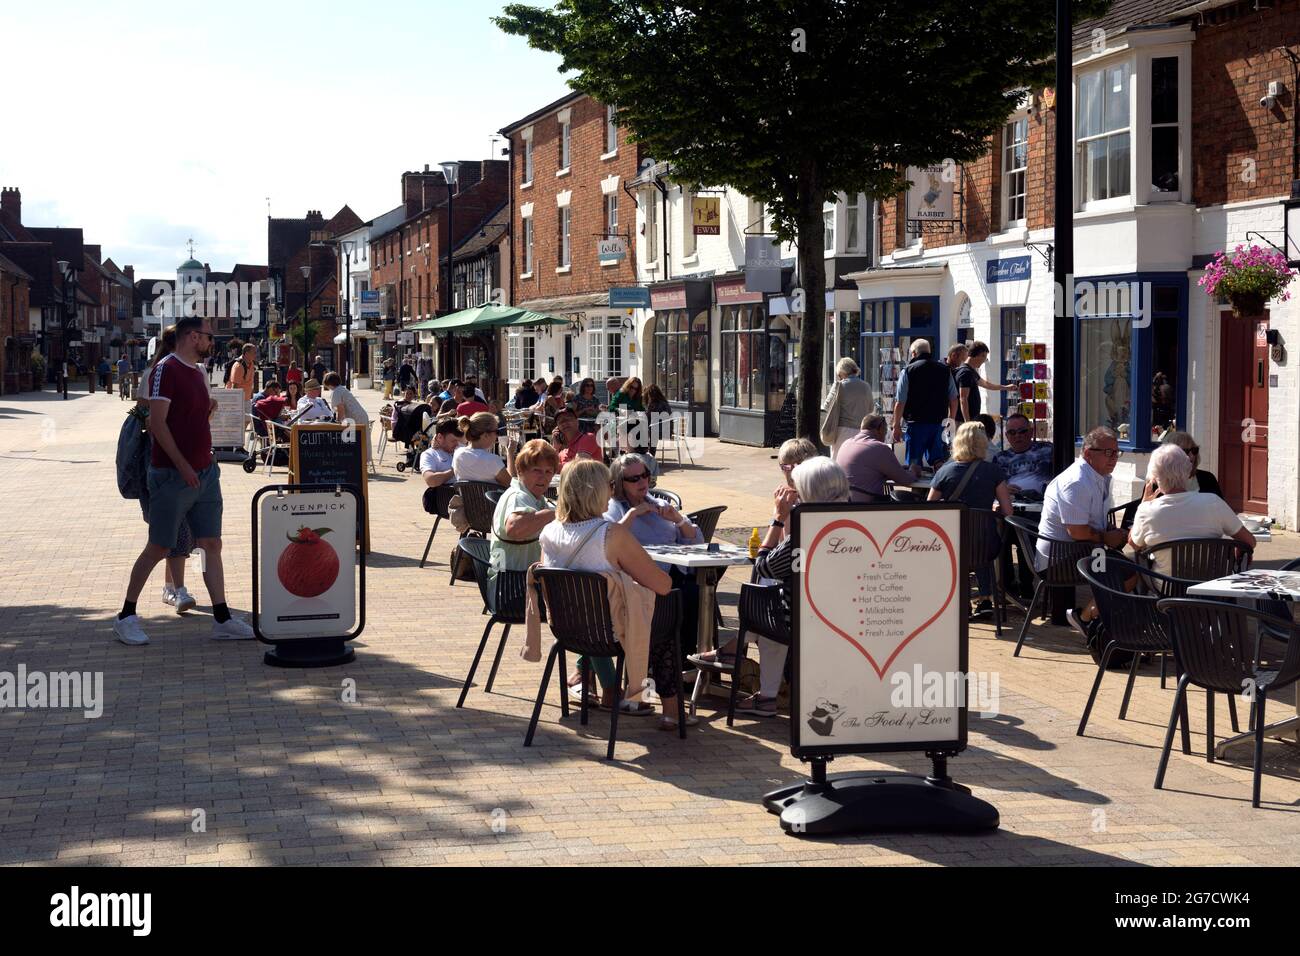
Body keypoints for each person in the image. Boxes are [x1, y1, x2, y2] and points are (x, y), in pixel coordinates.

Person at [113, 315, 254, 646]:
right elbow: (158, 424)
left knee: (211, 544)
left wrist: (207, 410)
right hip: (172, 475)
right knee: (159, 546)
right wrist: (182, 465)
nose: (211, 342)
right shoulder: (166, 368)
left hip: (205, 471)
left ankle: (222, 619)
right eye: (207, 336)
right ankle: (126, 616)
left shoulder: (198, 371)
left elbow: (186, 419)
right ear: (192, 337)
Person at [538, 459, 688, 727]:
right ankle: (673, 712)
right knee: (666, 606)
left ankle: (606, 687)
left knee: (621, 607)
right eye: (608, 484)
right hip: (612, 633)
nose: (612, 489)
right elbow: (662, 584)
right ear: (595, 490)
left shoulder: (548, 532)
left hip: (567, 630)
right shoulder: (611, 534)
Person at [132, 325, 195, 614]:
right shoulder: (157, 375)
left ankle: (172, 588)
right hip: (162, 463)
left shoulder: (186, 371)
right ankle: (174, 590)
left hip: (181, 461)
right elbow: (151, 423)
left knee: (180, 530)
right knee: (172, 531)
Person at [927, 421, 1013, 617]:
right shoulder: (993, 471)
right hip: (987, 545)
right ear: (982, 443)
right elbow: (1008, 511)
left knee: (961, 546)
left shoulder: (944, 472)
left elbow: (929, 508)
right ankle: (986, 599)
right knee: (981, 542)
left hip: (953, 543)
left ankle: (962, 601)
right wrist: (993, 510)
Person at [1128, 444, 1254, 575]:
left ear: (1155, 478)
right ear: (1188, 472)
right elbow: (1249, 541)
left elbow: (1134, 544)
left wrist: (1143, 504)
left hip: (1167, 587)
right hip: (1208, 586)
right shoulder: (1213, 502)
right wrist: (1237, 547)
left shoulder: (1147, 510)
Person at [491, 438, 558, 582]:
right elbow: (514, 528)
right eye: (537, 471)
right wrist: (553, 514)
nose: (543, 477)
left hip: (521, 578)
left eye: (548, 472)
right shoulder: (517, 496)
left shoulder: (536, 498)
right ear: (520, 471)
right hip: (509, 583)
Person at [890, 339, 958, 474]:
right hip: (938, 423)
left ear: (914, 353)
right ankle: (938, 489)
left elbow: (900, 402)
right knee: (938, 459)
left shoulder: (908, 371)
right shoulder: (945, 370)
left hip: (916, 423)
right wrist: (951, 419)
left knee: (914, 463)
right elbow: (954, 399)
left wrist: (896, 425)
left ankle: (916, 493)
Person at [838, 414, 916, 500]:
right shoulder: (879, 447)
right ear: (880, 429)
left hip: (844, 503)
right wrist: (914, 471)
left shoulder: (845, 444)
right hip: (870, 506)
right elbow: (905, 480)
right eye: (885, 431)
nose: (885, 436)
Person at [820, 358, 874, 460]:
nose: (839, 377)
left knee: (839, 462)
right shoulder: (866, 386)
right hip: (862, 431)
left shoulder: (839, 386)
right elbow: (871, 408)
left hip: (842, 431)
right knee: (858, 461)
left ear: (842, 372)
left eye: (839, 375)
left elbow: (827, 405)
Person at [955, 341, 1017, 424]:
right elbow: (963, 399)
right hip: (962, 421)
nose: (984, 361)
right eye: (984, 358)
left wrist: (1005, 387)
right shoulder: (965, 372)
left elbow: (986, 384)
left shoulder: (971, 371)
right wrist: (967, 422)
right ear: (979, 355)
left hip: (971, 419)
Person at [993, 412, 1053, 495]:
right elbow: (992, 486)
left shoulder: (1047, 450)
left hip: (1043, 503)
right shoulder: (1000, 458)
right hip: (1013, 504)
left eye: (1022, 431)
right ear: (1007, 436)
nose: (1017, 435)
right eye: (1012, 432)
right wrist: (1003, 489)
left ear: (1031, 432)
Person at [452, 412, 511, 488]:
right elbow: (511, 485)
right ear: (485, 435)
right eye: (496, 432)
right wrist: (510, 454)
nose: (497, 436)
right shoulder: (492, 460)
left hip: (467, 499)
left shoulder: (458, 453)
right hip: (491, 499)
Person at [1162, 431, 1224, 499]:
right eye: (1185, 451)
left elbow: (1220, 506)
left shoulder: (1208, 478)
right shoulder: (1158, 483)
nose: (1191, 456)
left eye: (1194, 450)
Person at [323, 371, 371, 458]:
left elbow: (340, 410)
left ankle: (359, 462)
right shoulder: (342, 389)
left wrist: (338, 424)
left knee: (356, 442)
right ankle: (364, 461)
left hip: (355, 418)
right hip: (360, 416)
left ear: (329, 383)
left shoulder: (336, 392)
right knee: (363, 441)